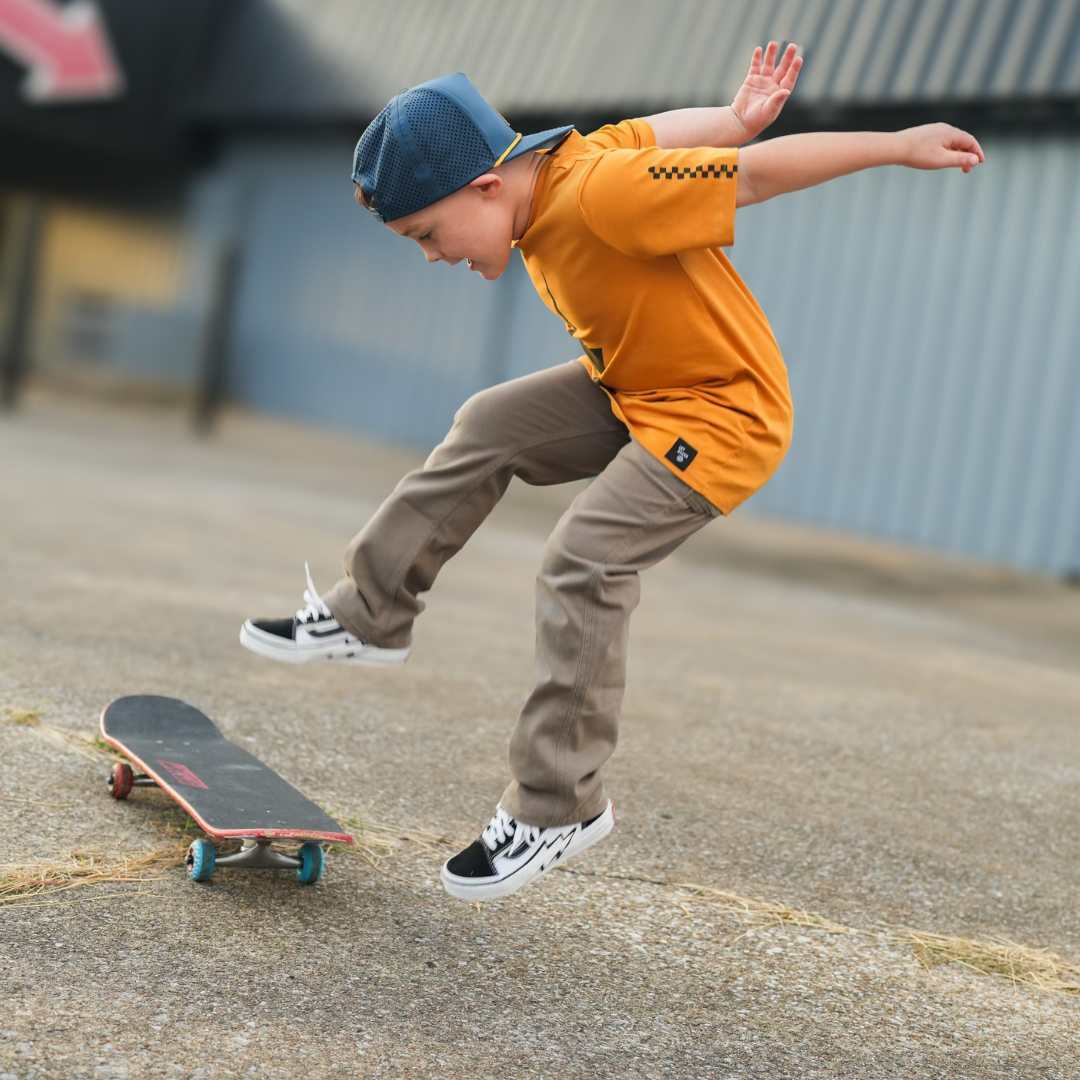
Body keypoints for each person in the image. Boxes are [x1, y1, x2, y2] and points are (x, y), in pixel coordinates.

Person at [239, 43, 984, 901]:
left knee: (583, 561)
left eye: (428, 234)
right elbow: (662, 131)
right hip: (638, 386)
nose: (432, 256)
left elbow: (755, 176)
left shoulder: (601, 194)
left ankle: (559, 805)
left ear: (487, 185)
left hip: (719, 413)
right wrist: (732, 114)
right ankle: (369, 614)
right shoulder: (565, 168)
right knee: (490, 423)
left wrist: (894, 143)